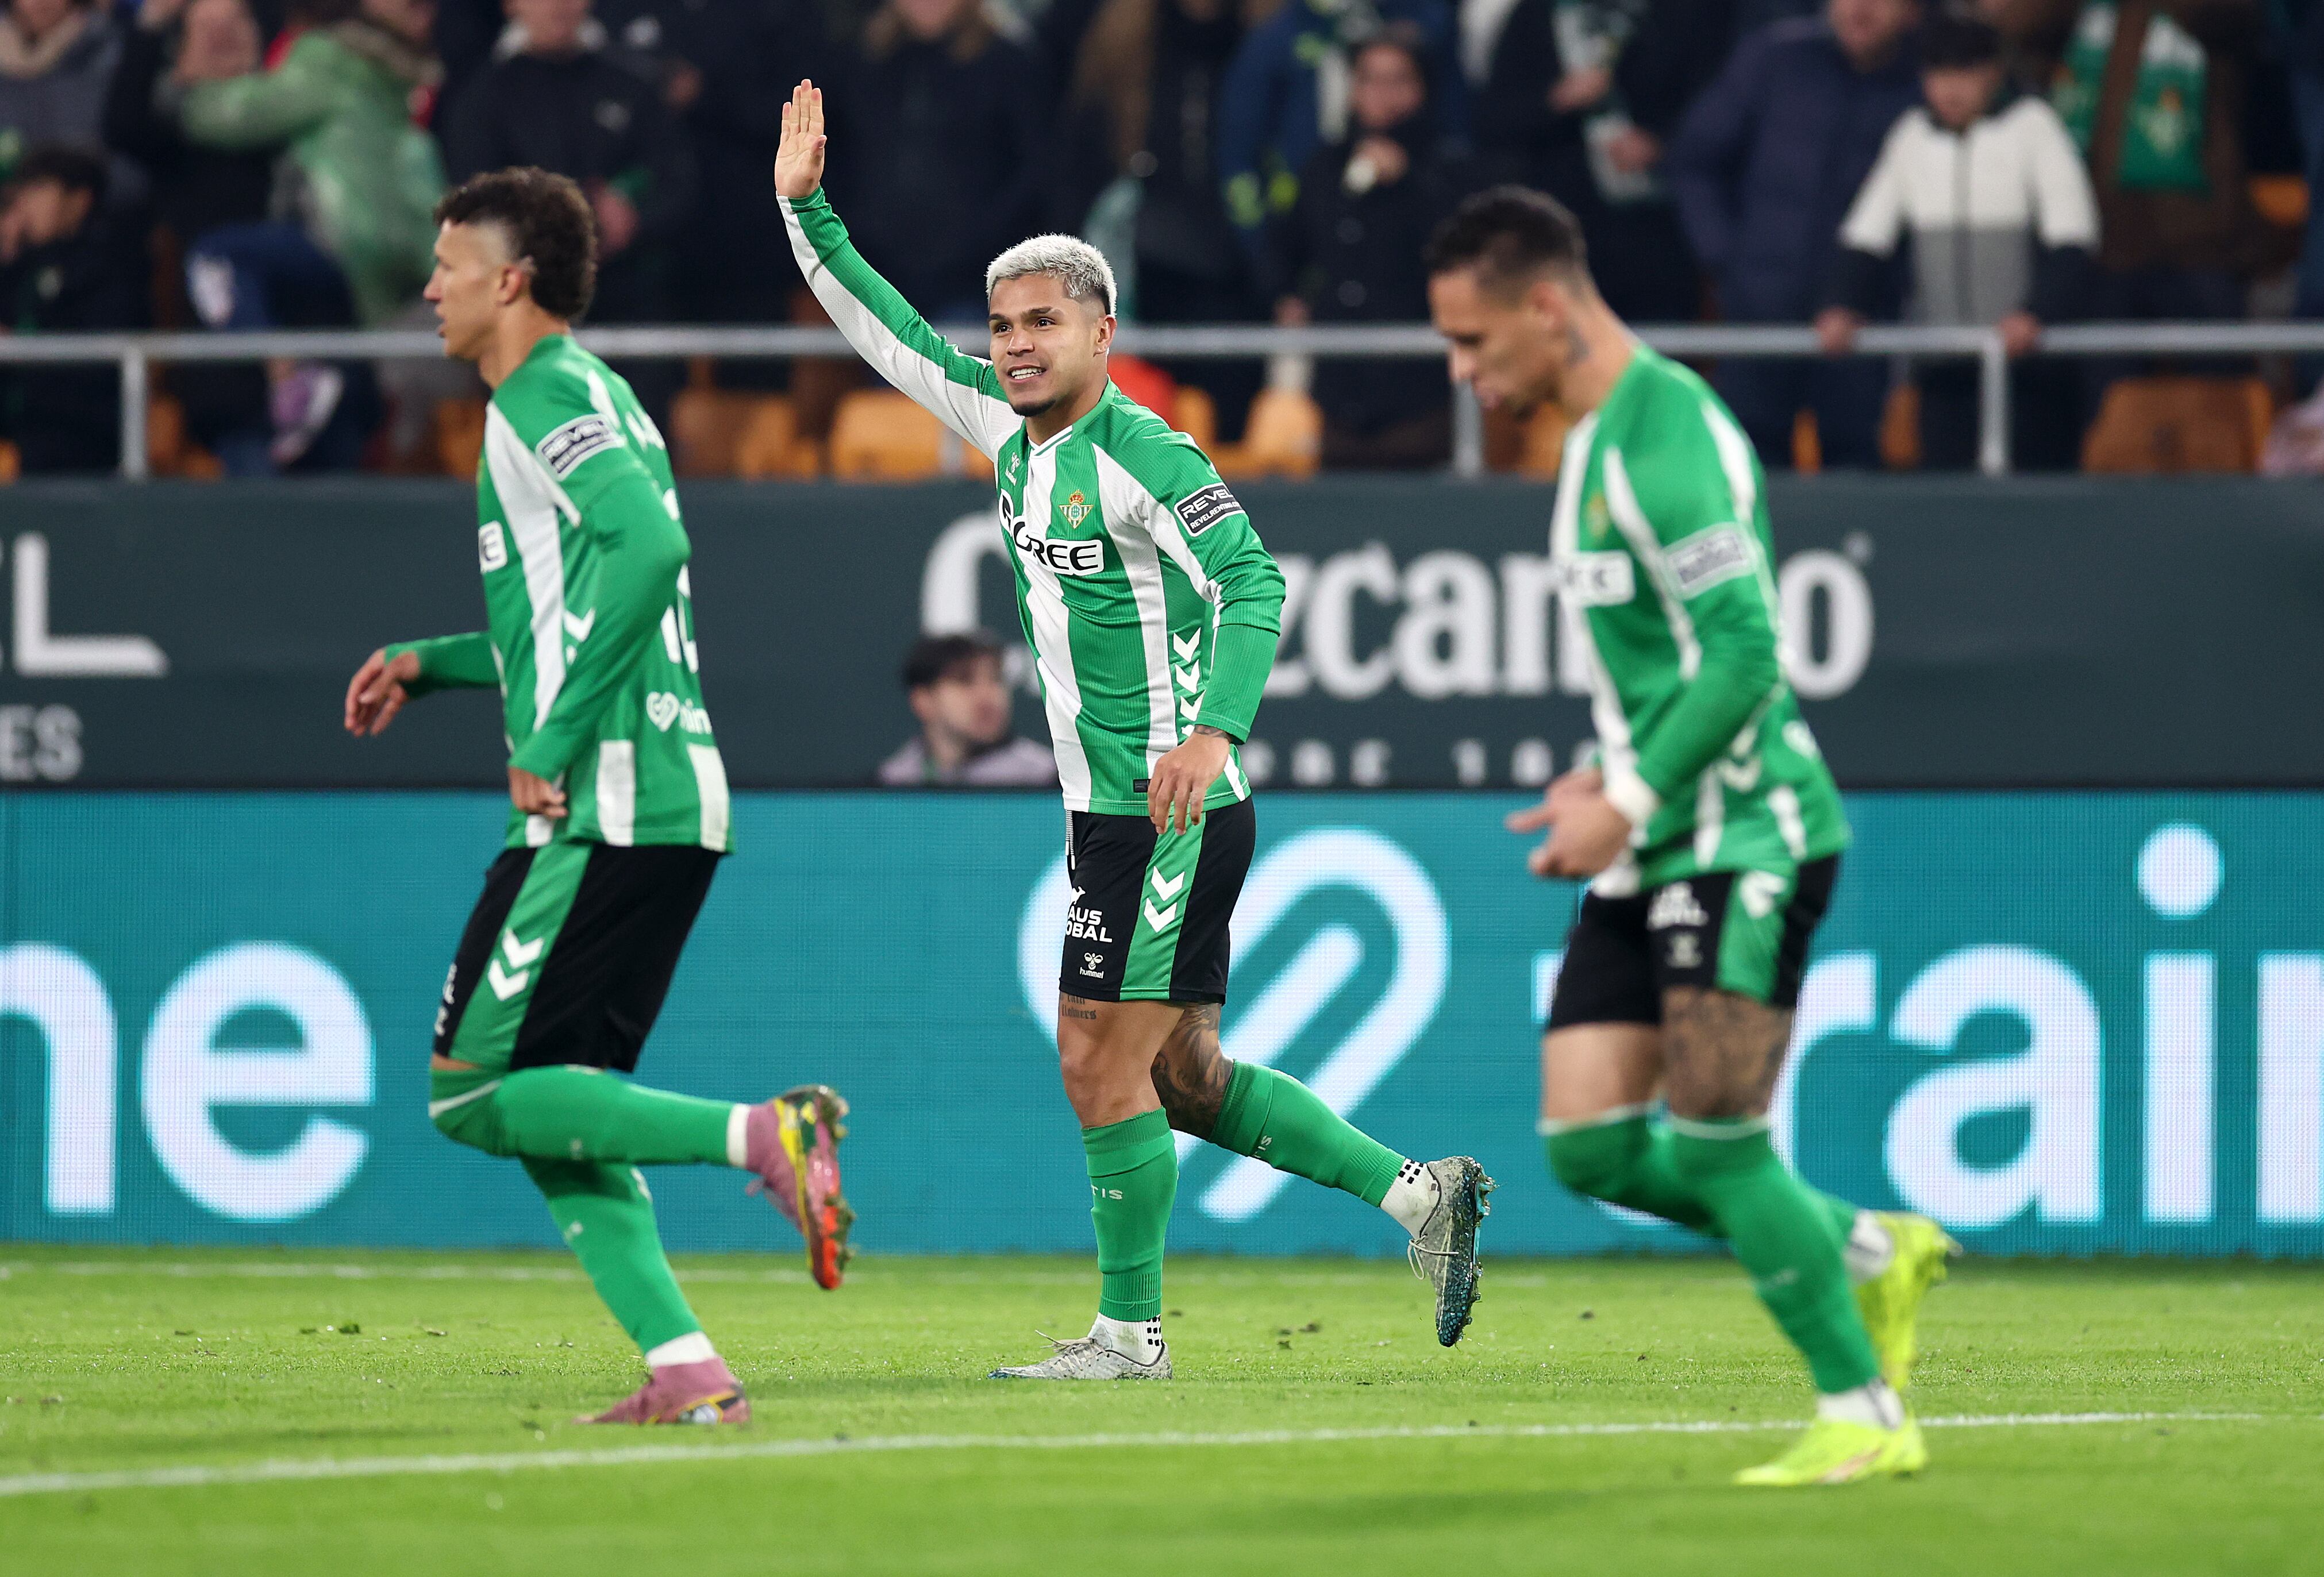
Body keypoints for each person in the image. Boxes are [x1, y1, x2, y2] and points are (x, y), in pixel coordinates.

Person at [776, 79, 1491, 1381]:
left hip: (1172, 812)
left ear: (1102, 329)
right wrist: (806, 208)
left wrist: (1213, 731)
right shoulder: (1000, 431)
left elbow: (1258, 584)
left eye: (1042, 322)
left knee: (1095, 1065)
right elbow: (880, 329)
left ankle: (1128, 1335)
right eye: (999, 326)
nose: (1012, 345)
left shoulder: (1147, 457)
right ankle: (1418, 1196)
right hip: (1108, 817)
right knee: (1183, 1080)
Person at [1424, 186, 1955, 1486]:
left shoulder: (1668, 439)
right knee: (1587, 1143)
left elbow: (1745, 652)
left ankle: (1863, 1415)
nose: (1461, 371)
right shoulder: (1587, 438)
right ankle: (1866, 1252)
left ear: (1544, 306)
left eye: (1473, 342)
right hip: (1655, 835)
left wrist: (1628, 795)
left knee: (1718, 1136)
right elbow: (1666, 671)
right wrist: (1599, 777)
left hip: (1750, 838)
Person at [341, 167, 853, 1426]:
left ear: (510, 281)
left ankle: (763, 1134)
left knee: (468, 1090)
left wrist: (556, 733)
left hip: (604, 798)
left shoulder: (543, 396)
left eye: (450, 265)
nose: (431, 288)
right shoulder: (604, 394)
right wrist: (437, 664)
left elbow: (654, 550)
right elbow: (581, 604)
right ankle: (684, 1367)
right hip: (658, 794)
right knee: (558, 1108)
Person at [1817, 12, 2097, 469]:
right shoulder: (1912, 136)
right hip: (1944, 369)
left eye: (1965, 74)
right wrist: (1842, 305)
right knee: (1949, 502)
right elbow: (1866, 237)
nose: (1950, 90)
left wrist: (2037, 314)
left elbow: (2074, 238)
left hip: (2030, 373)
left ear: (1993, 73)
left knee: (2036, 503)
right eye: (1939, 74)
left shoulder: (2034, 128)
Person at [1666, 0, 1921, 467]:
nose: (1861, 8)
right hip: (1759, 317)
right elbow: (1696, 159)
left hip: (1865, 327)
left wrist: (1887, 289)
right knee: (1748, 473)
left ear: (1912, 11)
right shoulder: (1774, 57)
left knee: (1857, 478)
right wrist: (1726, 260)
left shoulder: (1929, 79)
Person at [1269, 24, 1480, 468]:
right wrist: (1288, 298)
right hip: (1337, 397)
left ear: (1422, 89)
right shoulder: (1323, 167)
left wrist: (1408, 184)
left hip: (1420, 398)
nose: (1381, 94)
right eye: (1368, 80)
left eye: (1397, 81)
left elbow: (1465, 254)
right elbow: (1284, 248)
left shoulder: (1450, 167)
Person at [1473, 0, 1734, 324]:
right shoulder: (1536, 16)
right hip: (1563, 232)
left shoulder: (1681, 15)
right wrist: (1557, 100)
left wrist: (1662, 143)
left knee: (1656, 349)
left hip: (1658, 231)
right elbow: (1493, 121)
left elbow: (1719, 106)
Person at [0, 144, 143, 472]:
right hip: (22, 434)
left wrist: (22, 350)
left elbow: (99, 369)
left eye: (39, 191)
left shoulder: (110, 267)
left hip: (78, 443)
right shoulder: (24, 268)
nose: (26, 205)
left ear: (80, 200)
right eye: (22, 192)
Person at [878, 631, 1058, 788]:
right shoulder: (889, 786)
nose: (987, 696)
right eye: (964, 680)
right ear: (924, 700)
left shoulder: (1052, 781)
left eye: (996, 679)